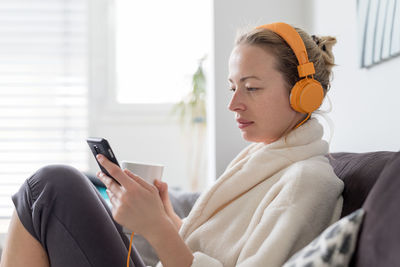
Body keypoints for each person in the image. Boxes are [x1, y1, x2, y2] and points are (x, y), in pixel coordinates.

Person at [1, 22, 343, 267]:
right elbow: (217, 251)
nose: (233, 103)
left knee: (52, 186)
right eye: (232, 87)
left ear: (304, 94)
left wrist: (157, 228)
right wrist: (169, 218)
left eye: (251, 87)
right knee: (47, 192)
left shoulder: (307, 182)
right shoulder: (263, 157)